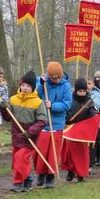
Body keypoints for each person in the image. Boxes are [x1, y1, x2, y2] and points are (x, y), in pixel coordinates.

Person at [1, 71, 47, 192]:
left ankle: (17, 183)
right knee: (17, 159)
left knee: (21, 158)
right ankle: (27, 179)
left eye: (28, 86)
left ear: (33, 88)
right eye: (23, 85)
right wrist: (3, 109)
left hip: (29, 137)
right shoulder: (13, 99)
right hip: (16, 134)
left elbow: (42, 121)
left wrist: (30, 132)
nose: (25, 88)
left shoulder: (38, 102)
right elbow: (7, 118)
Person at [35, 61, 71, 189]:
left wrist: (53, 106)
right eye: (52, 78)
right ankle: (41, 173)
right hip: (43, 122)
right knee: (41, 151)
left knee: (53, 152)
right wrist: (41, 84)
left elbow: (67, 104)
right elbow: (35, 96)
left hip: (56, 124)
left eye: (58, 77)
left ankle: (50, 176)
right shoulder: (42, 82)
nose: (55, 80)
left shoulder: (66, 85)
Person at [62, 78, 98, 182]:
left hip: (82, 132)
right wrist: (67, 120)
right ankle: (70, 171)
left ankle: (81, 174)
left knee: (82, 154)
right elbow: (66, 113)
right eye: (79, 91)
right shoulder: (70, 101)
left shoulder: (89, 102)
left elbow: (93, 113)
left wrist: (95, 116)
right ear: (75, 91)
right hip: (71, 129)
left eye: (83, 91)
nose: (82, 93)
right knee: (70, 153)